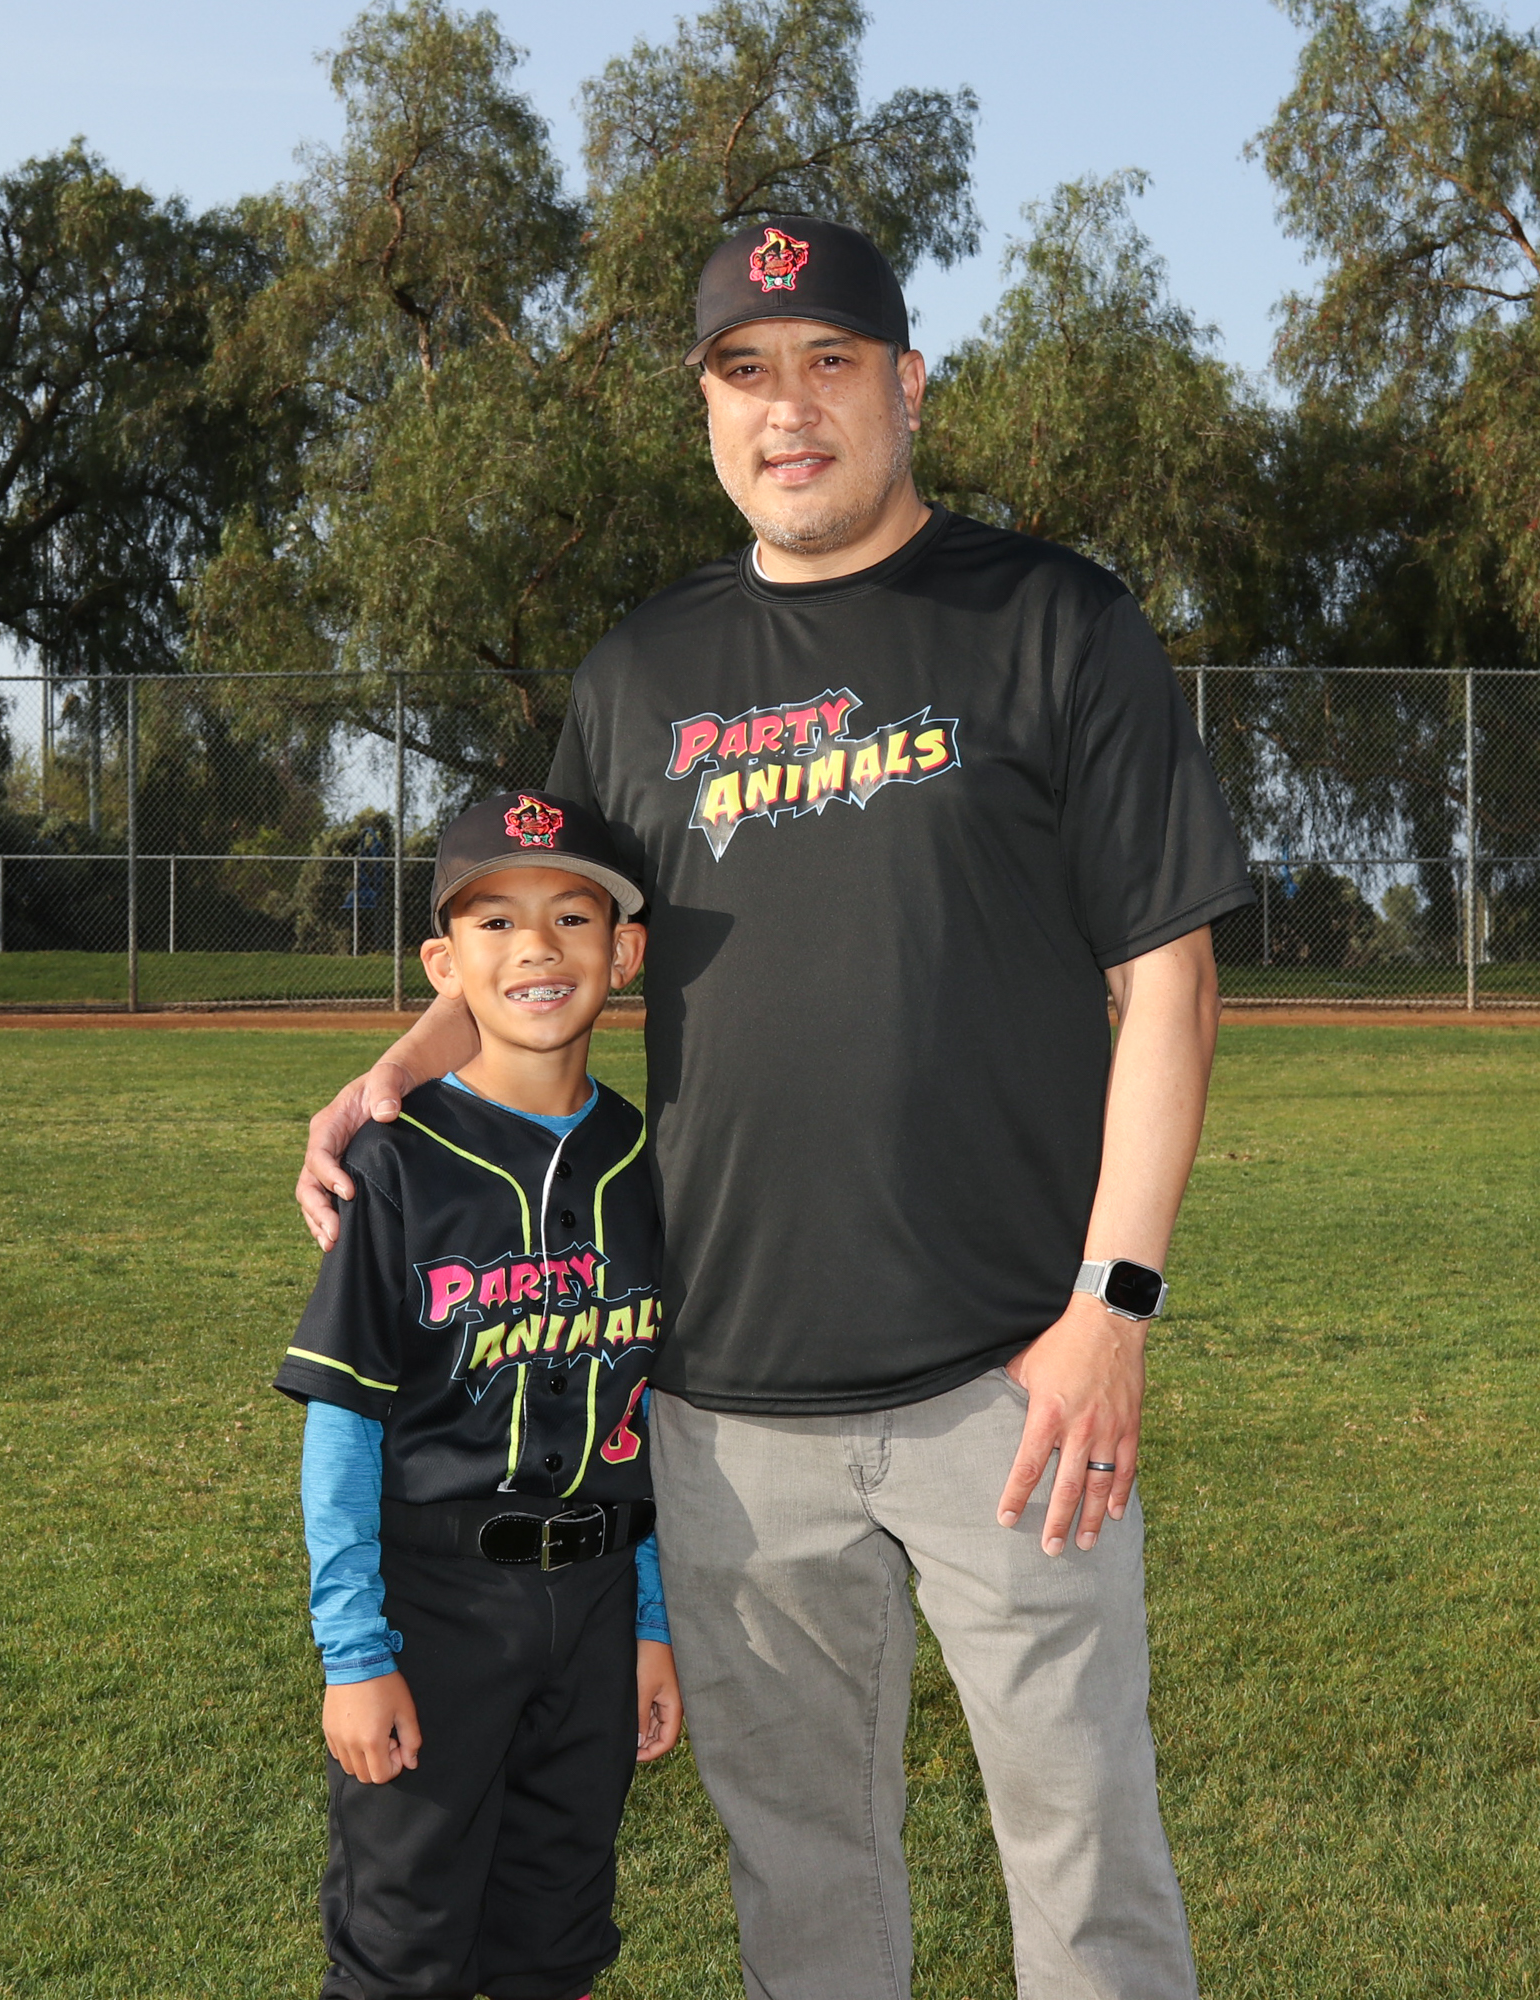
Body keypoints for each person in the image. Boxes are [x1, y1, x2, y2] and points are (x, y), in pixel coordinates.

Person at [298, 214, 1250, 2000]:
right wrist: (397, 1073)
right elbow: (539, 939)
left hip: (1015, 1387)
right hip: (728, 1408)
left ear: (908, 386)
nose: (787, 407)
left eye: (829, 363)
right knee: (803, 1890)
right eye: (745, 371)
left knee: (1088, 1870)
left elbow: (1170, 984)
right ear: (707, 409)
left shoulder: (1053, 620)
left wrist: (1113, 1309)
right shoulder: (640, 675)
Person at [276, 789, 683, 2000]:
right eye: (495, 921)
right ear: (444, 966)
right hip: (437, 1604)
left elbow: (645, 1416)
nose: (536, 946)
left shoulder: (646, 1161)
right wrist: (355, 1652)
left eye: (573, 916)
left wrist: (650, 1624)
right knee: (402, 1947)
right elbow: (343, 1421)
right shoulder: (395, 1161)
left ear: (624, 951)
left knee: (559, 1941)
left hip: (594, 1601)